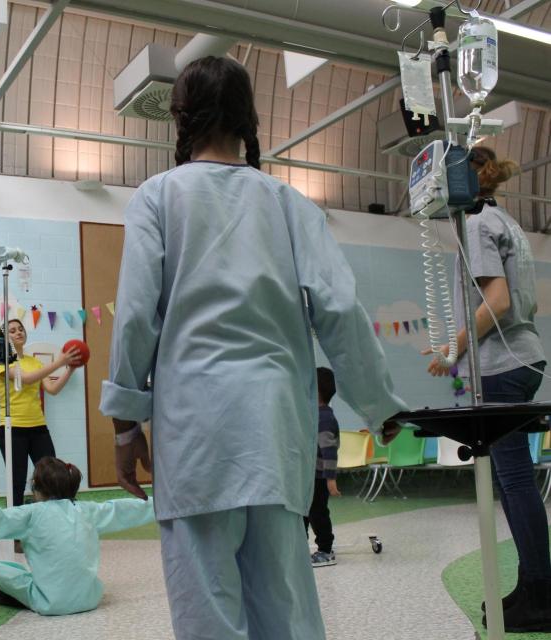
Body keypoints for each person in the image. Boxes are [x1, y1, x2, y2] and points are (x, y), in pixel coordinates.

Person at [100, 56, 406, 640]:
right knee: (286, 611)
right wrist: (378, 403)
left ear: (180, 117)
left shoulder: (158, 197)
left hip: (194, 438)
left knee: (208, 612)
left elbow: (136, 317)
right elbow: (339, 308)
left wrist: (124, 428)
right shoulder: (290, 204)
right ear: (249, 118)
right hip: (273, 434)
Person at [423, 146, 550, 633]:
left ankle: (540, 593)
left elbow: (495, 300)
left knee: (515, 482)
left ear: (460, 182)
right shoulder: (505, 219)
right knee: (515, 481)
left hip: (502, 363)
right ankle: (534, 582)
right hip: (525, 355)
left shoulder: (475, 222)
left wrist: (454, 350)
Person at [0, 456, 154, 615]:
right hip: (90, 599)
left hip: (50, 604)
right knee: (29, 573)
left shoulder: (31, 513)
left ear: (35, 487)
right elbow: (124, 509)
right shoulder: (88, 510)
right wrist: (162, 502)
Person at [0, 319, 81, 551]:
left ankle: (59, 526)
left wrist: (69, 369)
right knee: (17, 482)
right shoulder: (0, 362)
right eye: (12, 330)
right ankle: (17, 535)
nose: (18, 332)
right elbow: (27, 379)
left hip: (38, 427)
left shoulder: (33, 361)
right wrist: (60, 361)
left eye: (20, 328)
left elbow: (52, 389)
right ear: (5, 338)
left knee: (54, 476)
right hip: (13, 429)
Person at [305, 367, 341, 568]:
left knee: (318, 513)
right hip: (307, 475)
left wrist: (330, 478)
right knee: (303, 512)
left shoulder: (324, 417)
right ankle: (299, 549)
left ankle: (326, 550)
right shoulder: (313, 414)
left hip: (319, 476)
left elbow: (329, 449)